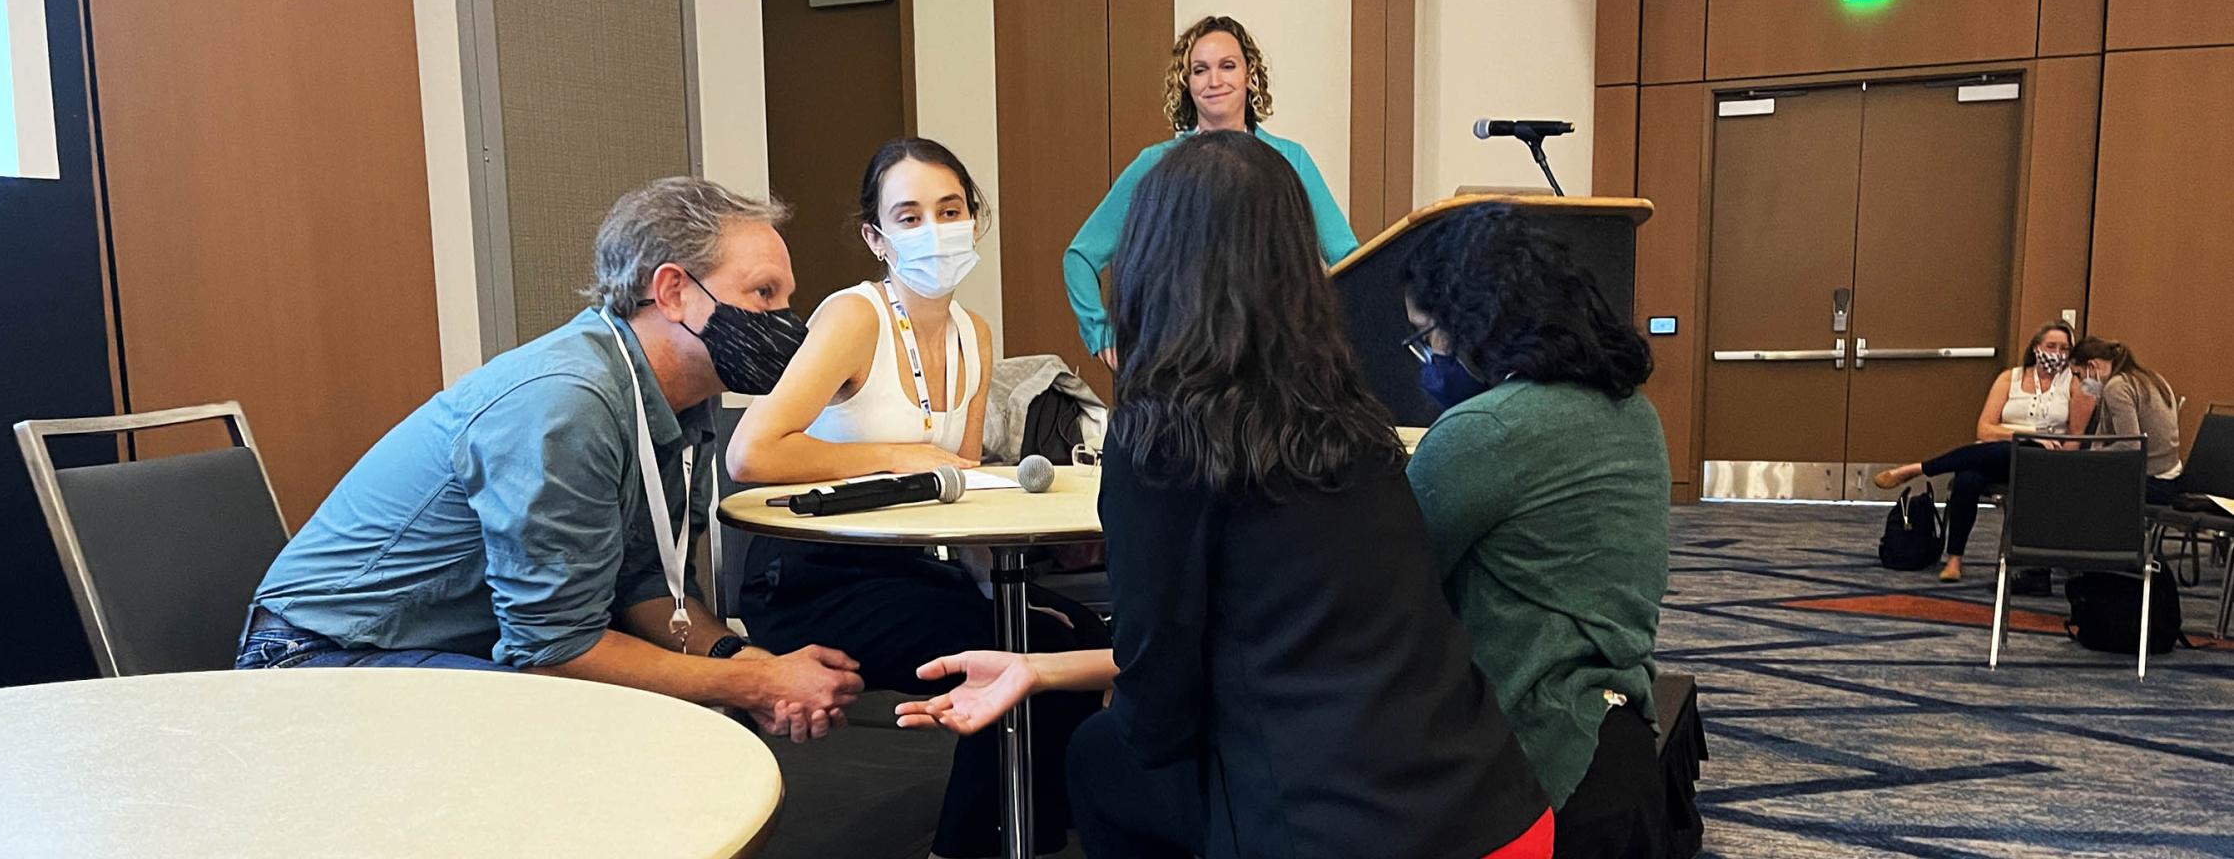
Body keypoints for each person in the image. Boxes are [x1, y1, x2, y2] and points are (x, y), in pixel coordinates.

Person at [898, 131, 1554, 859]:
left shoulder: (1161, 436)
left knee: (1102, 756)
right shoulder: (1354, 415)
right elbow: (1295, 637)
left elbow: (1159, 715)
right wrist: (1044, 666)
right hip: (1500, 809)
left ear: (1151, 259)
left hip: (1344, 828)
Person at [241, 177, 862, 743]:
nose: (786, 322)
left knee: (672, 726)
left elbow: (642, 580)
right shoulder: (566, 403)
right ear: (673, 291)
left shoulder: (678, 404)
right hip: (317, 658)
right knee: (599, 740)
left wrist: (734, 658)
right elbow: (554, 652)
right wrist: (756, 687)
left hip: (460, 649)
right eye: (764, 293)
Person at [726, 137, 1108, 859]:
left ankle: (1030, 834)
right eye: (908, 216)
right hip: (814, 573)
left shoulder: (976, 334)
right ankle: (966, 848)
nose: (934, 229)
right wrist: (902, 456)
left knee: (1077, 634)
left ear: (974, 219)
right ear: (876, 236)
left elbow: (954, 488)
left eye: (950, 209)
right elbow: (751, 452)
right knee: (1011, 651)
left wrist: (1038, 555)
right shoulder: (855, 317)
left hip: (908, 567)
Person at [1401, 204, 1672, 859]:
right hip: (1624, 741)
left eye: (1427, 334)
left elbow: (1384, 587)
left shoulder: (1486, 431)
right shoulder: (1632, 410)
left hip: (1537, 762)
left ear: (1474, 320)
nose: (1426, 357)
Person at [1061, 14, 1359, 369]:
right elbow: (1080, 256)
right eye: (1200, 70)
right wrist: (1101, 332)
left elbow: (1348, 258)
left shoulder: (1290, 159)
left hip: (1275, 366)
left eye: (1227, 66)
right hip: (1180, 365)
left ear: (1250, 76)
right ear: (1186, 83)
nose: (1214, 80)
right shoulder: (1157, 163)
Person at [1872, 321, 2097, 582]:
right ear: (2037, 348)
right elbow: (1984, 429)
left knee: (1998, 456)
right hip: (1999, 454)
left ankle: (1917, 468)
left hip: (2043, 461)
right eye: (2051, 346)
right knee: (1968, 479)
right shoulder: (2009, 378)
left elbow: (2076, 434)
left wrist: (2057, 460)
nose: (2057, 353)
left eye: (2064, 348)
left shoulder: (2076, 383)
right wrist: (2025, 435)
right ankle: (1954, 559)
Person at [2070, 336, 2185, 504]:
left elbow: (2131, 445)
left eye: (2078, 374)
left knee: (2071, 486)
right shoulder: (2151, 377)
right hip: (2170, 477)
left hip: (2151, 482)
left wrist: (2086, 458)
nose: (2080, 383)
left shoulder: (2116, 387)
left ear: (2092, 366)